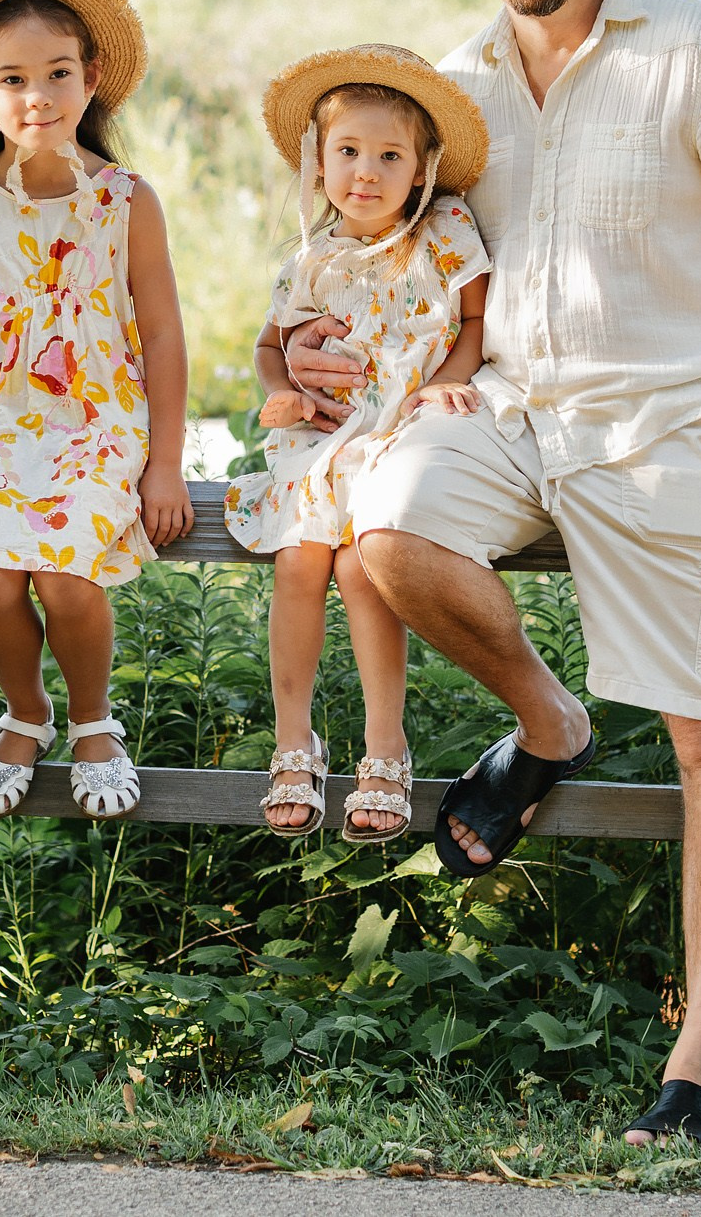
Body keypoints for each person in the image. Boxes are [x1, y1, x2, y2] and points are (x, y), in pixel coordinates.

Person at [291, 0, 701, 1148]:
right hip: (503, 405)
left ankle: (697, 1068)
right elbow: (392, 252)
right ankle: (551, 724)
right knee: (386, 527)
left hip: (675, 423)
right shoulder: (450, 79)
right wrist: (312, 341)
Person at [0, 0, 194, 823]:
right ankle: (26, 712)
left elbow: (165, 333)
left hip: (98, 421)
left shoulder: (125, 200)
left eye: (58, 73)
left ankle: (93, 720)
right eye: (14, 78)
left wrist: (167, 465)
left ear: (91, 77)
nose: (39, 96)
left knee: (67, 576)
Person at [224, 47, 492, 843]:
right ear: (317, 162)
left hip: (402, 431)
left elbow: (474, 320)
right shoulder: (311, 256)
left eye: (388, 156)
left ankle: (386, 743)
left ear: (422, 170)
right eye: (347, 152)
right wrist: (286, 389)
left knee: (360, 563)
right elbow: (269, 347)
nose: (365, 173)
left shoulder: (443, 231)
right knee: (302, 557)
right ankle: (293, 737)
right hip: (325, 437)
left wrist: (446, 380)